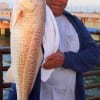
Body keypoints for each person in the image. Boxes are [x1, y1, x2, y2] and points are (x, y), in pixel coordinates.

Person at [7, 0, 100, 100]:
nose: (59, 1)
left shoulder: (75, 23)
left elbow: (94, 54)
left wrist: (65, 59)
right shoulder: (31, 19)